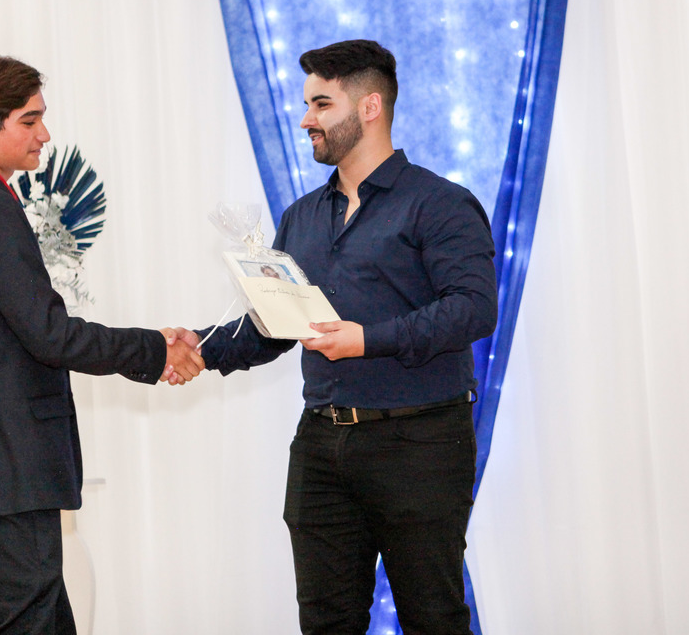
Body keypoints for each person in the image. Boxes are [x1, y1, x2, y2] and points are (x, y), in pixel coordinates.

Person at [171, 40, 497, 634]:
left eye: (321, 104)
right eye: (306, 105)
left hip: (420, 444)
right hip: (321, 447)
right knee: (325, 623)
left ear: (370, 107)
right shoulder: (301, 216)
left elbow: (473, 310)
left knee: (434, 619)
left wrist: (367, 339)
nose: (306, 120)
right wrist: (195, 345)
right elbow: (276, 326)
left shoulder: (440, 204)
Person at [0, 53, 205, 634]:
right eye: (29, 120)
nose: (44, 134)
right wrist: (155, 348)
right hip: (4, 468)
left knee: (43, 624)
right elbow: (51, 335)